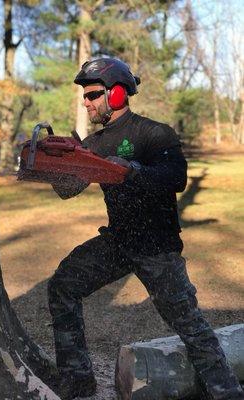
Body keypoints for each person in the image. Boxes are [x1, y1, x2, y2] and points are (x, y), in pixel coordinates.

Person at [47, 58, 244, 400]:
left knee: (191, 326)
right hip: (118, 243)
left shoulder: (156, 133)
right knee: (63, 286)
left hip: (157, 248)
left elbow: (176, 178)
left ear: (118, 93)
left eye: (93, 94)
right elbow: (67, 190)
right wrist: (54, 162)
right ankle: (78, 378)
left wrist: (132, 169)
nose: (86, 101)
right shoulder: (93, 144)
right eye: (84, 95)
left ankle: (226, 392)